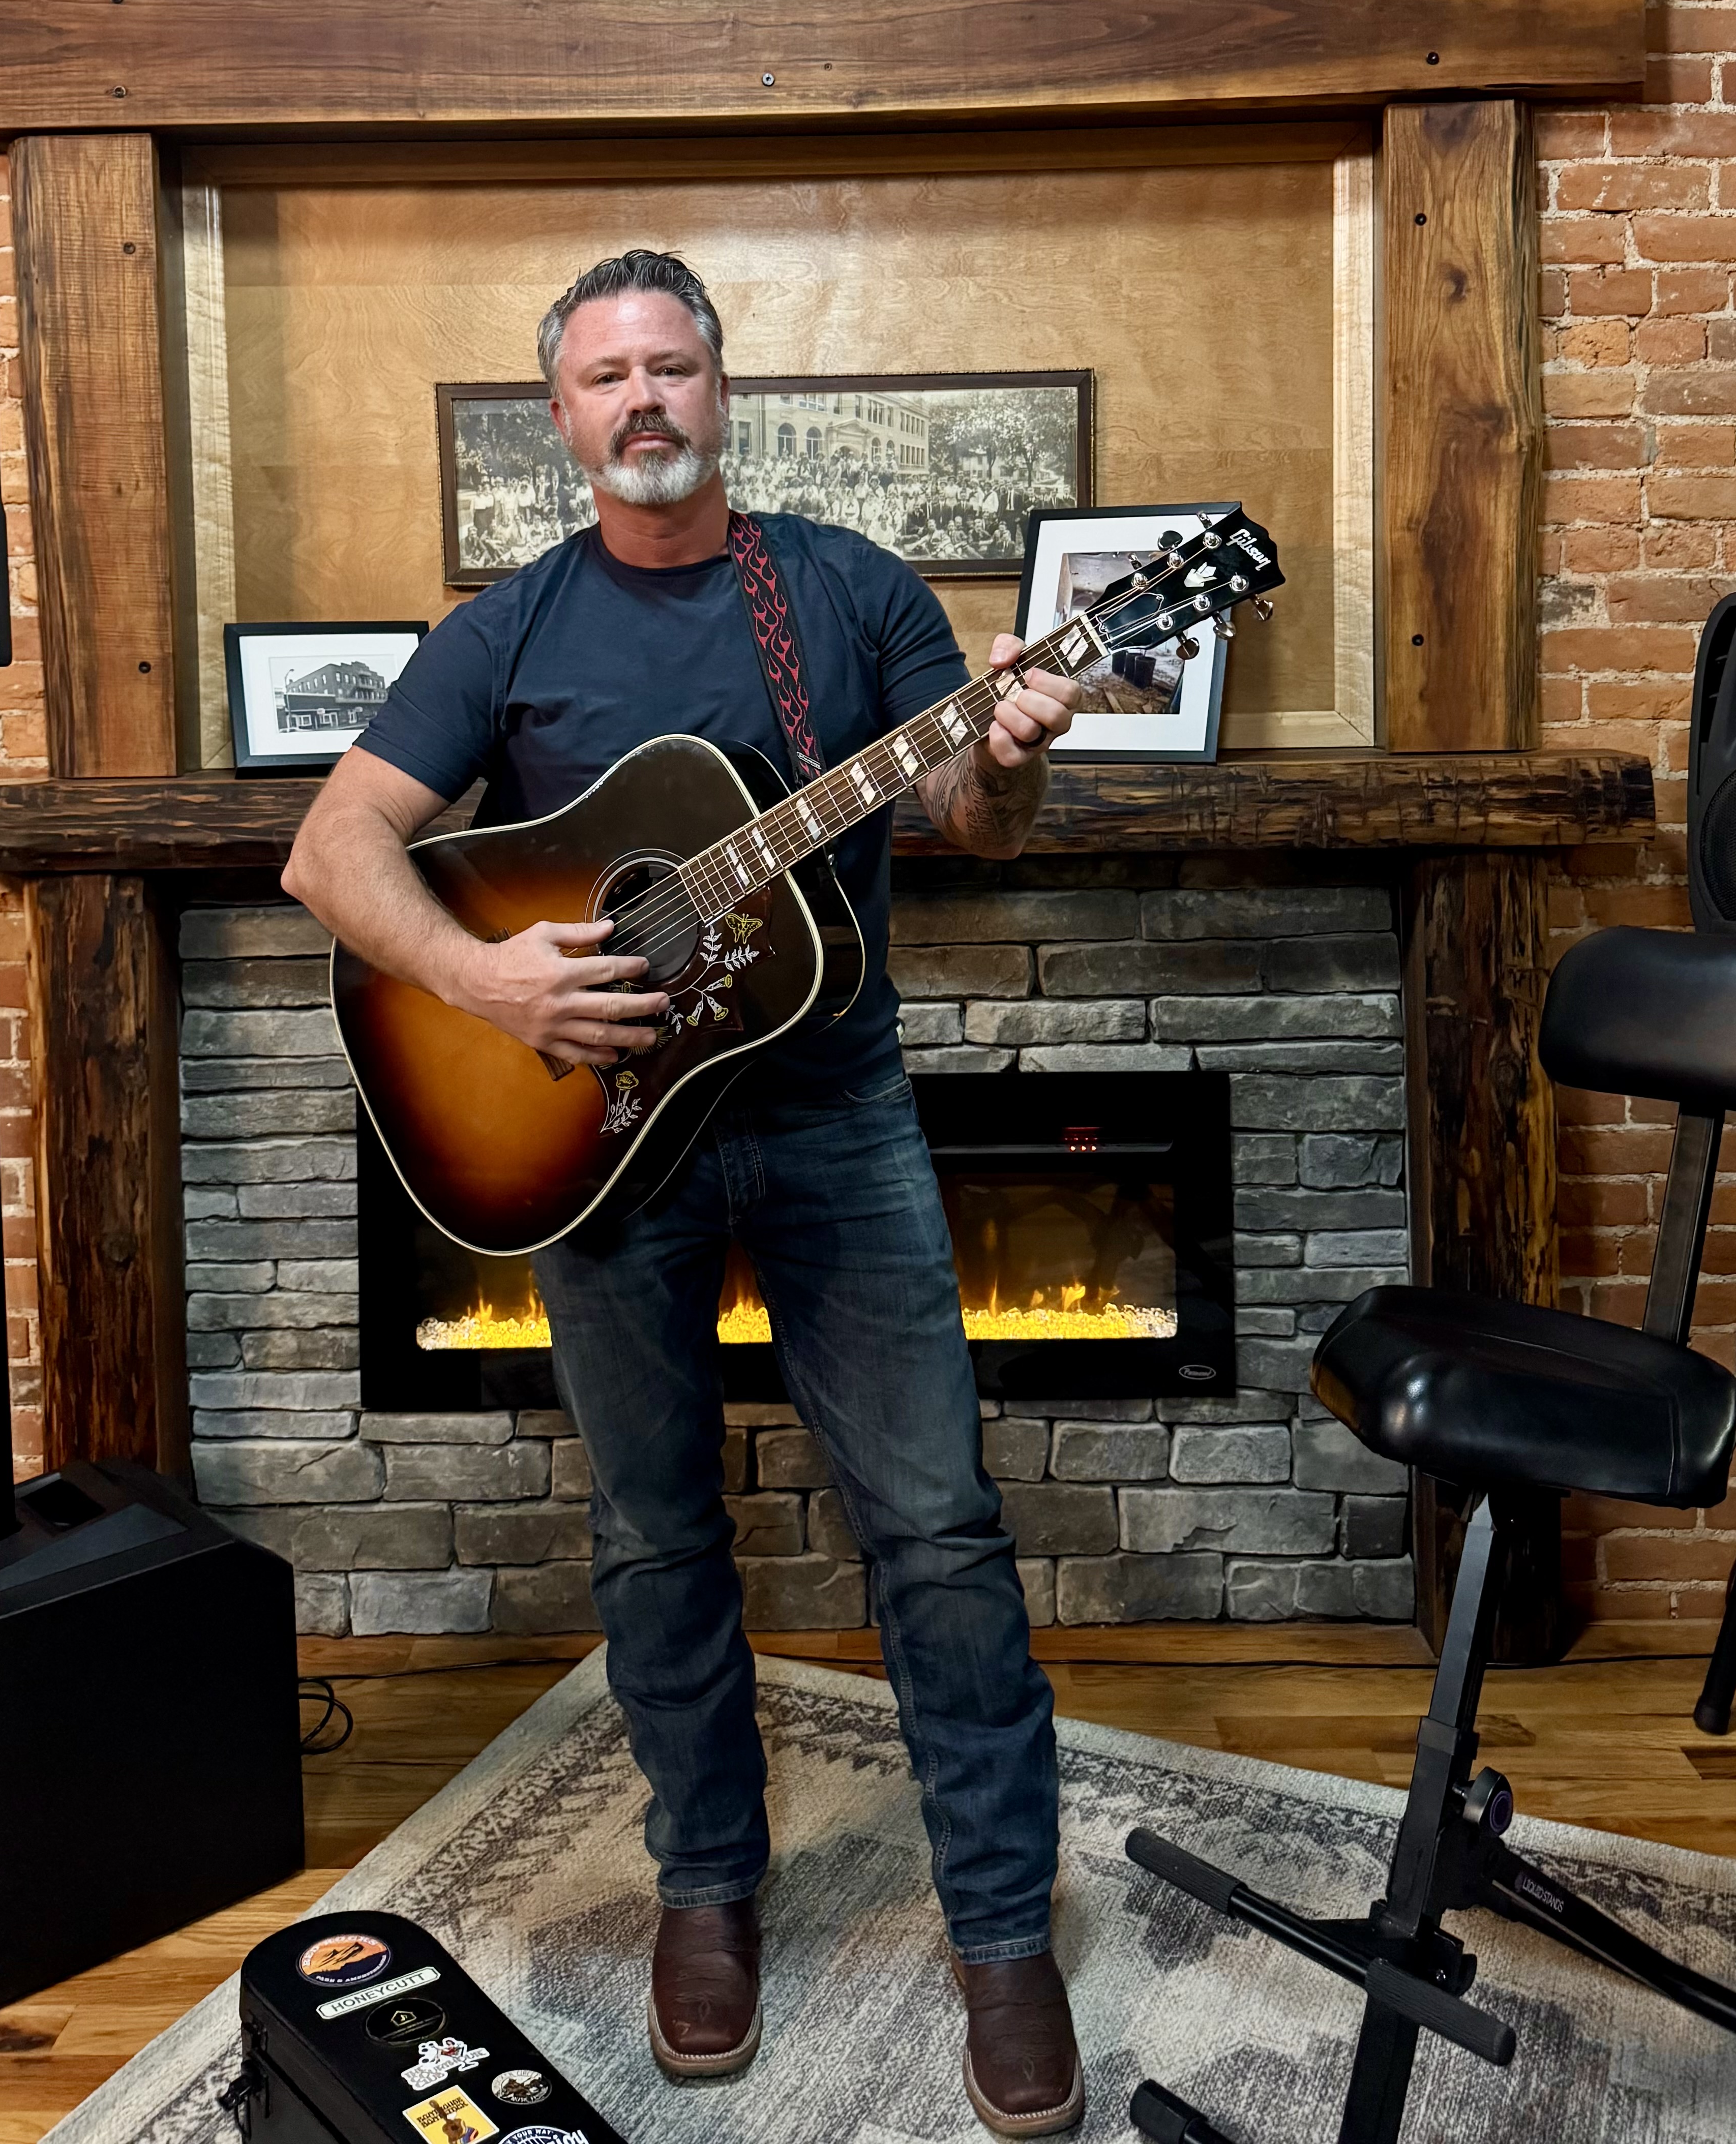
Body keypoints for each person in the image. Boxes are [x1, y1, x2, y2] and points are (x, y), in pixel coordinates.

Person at [283, 250, 1085, 2137]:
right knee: (655, 1538)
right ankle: (705, 1887)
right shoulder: (509, 627)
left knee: (937, 1530)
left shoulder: (849, 593)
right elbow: (332, 851)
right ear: (561, 418)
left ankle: (998, 1935)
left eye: (670, 366)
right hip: (598, 1139)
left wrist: (1009, 757)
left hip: (832, 1117)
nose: (641, 399)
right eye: (604, 376)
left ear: (722, 392)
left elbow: (969, 820)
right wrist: (487, 979)